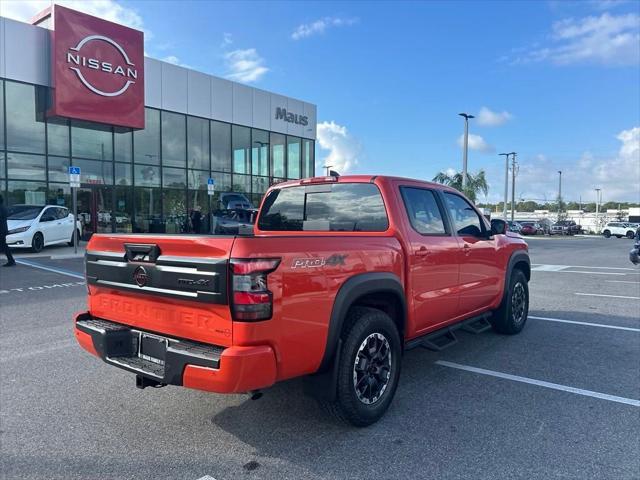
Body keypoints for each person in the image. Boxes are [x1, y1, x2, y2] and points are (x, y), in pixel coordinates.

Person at [0, 194, 16, 267]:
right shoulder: (2, 207)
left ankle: (11, 261)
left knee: (4, 246)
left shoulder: (1, 208)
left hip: (1, 230)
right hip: (2, 230)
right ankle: (11, 260)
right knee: (4, 246)